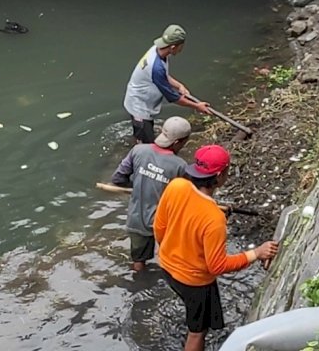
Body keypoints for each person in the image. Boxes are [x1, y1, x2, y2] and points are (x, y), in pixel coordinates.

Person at [153, 144, 279, 351]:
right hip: (195, 282)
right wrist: (255, 253)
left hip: (167, 267)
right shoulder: (214, 218)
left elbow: (159, 228)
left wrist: (173, 250)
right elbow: (217, 266)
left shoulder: (176, 185)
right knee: (197, 332)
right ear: (219, 176)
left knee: (194, 313)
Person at [111, 116, 192, 272]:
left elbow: (118, 178)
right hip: (164, 223)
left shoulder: (138, 150)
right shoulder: (180, 166)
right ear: (177, 143)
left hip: (136, 219)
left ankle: (140, 283)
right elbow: (185, 197)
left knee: (138, 261)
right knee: (171, 258)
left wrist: (138, 184)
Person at [123, 24, 211, 144]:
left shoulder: (159, 50)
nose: (181, 49)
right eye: (181, 46)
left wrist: (179, 85)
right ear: (173, 47)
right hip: (139, 106)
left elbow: (163, 76)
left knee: (144, 134)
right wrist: (197, 106)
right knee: (147, 144)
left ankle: (137, 140)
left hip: (144, 99)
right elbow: (173, 97)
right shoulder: (156, 67)